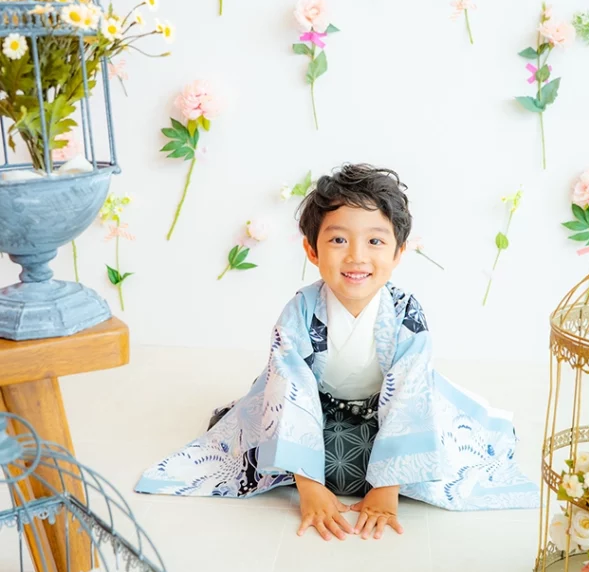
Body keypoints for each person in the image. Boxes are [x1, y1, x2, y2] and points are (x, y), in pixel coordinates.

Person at [135, 164, 538, 539]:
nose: (356, 256)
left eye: (375, 241)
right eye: (339, 239)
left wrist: (387, 487)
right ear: (312, 250)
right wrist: (309, 486)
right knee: (287, 451)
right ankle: (311, 468)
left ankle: (384, 468)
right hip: (317, 407)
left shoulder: (405, 313)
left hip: (385, 410)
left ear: (398, 253)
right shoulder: (300, 311)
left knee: (425, 454)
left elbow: (411, 394)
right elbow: (290, 388)